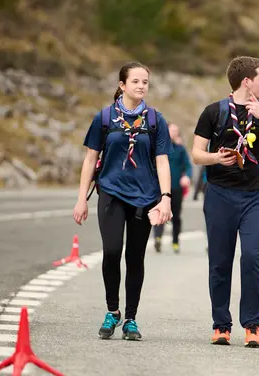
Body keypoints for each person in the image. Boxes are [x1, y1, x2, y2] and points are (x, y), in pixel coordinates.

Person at [73, 61, 173, 341]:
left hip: (145, 197)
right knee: (112, 251)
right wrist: (81, 199)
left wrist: (166, 198)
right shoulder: (105, 118)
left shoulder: (155, 121)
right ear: (122, 85)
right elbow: (90, 159)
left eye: (145, 82)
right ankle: (112, 310)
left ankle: (130, 318)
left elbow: (162, 161)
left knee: (135, 257)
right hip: (111, 193)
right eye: (135, 81)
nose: (141, 86)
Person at [191, 56, 259, 348]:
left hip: (254, 195)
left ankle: (252, 325)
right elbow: (196, 154)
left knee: (252, 256)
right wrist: (216, 158)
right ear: (247, 81)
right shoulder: (214, 111)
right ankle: (221, 325)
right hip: (219, 194)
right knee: (220, 261)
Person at [152, 123, 192, 253]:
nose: (174, 133)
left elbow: (188, 166)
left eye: (176, 131)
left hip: (176, 187)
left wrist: (187, 177)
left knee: (176, 215)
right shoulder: (159, 147)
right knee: (159, 212)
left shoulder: (180, 149)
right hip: (160, 187)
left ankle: (175, 241)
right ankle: (157, 238)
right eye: (171, 130)